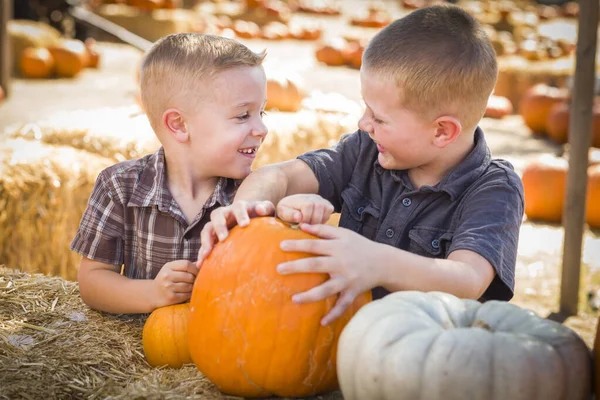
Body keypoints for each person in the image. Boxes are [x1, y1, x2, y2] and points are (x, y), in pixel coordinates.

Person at [197, 4, 524, 326]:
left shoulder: (494, 189)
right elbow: (280, 175)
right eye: (366, 108)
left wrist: (377, 261)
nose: (363, 122)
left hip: (429, 360)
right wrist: (248, 209)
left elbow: (467, 279)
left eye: (379, 117)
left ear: (442, 131)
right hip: (337, 344)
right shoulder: (367, 152)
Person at [70, 33, 268, 314]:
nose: (262, 129)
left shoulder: (251, 198)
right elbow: (92, 281)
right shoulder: (119, 187)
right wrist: (152, 293)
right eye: (243, 115)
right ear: (179, 125)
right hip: (140, 347)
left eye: (262, 112)